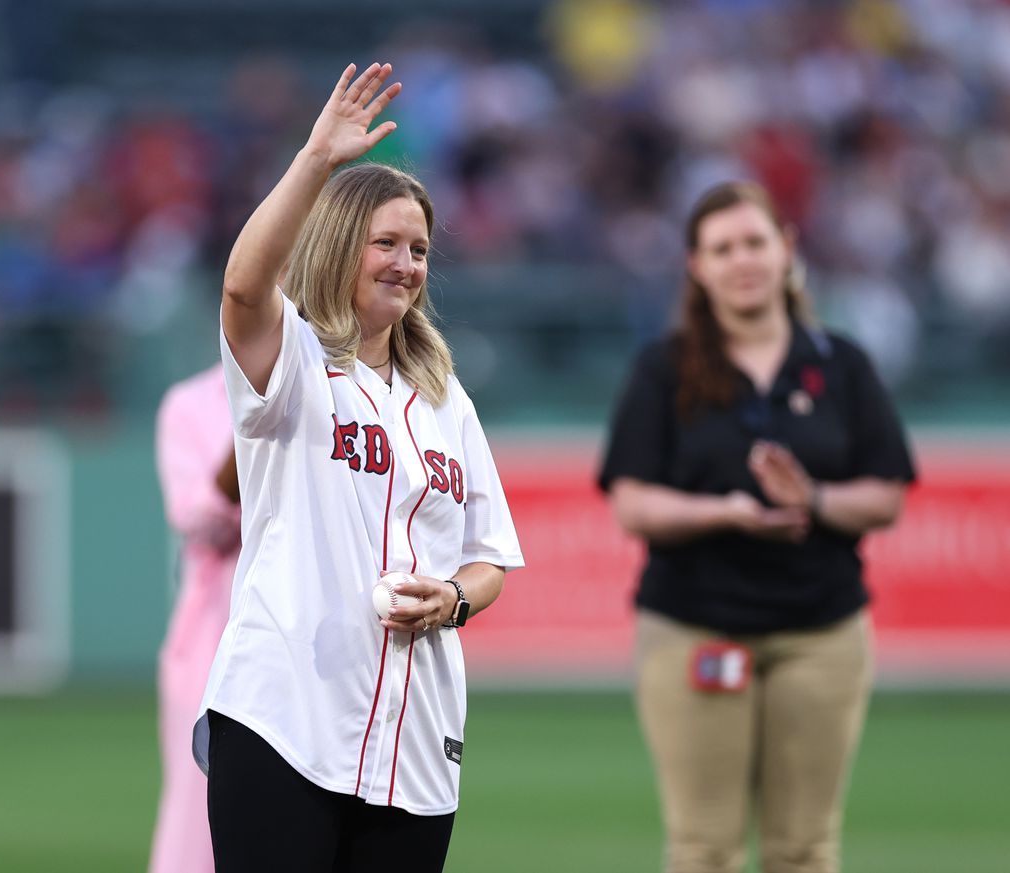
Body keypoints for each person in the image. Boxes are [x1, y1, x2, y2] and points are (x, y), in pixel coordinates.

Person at [191, 63, 525, 873]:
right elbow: (242, 287)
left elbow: (491, 561)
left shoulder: (446, 399)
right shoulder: (296, 362)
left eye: (419, 249)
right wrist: (315, 161)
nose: (407, 264)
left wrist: (449, 598)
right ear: (342, 244)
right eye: (387, 243)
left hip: (414, 741)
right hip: (283, 720)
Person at [597, 180, 915, 873]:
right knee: (703, 848)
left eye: (755, 242)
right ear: (697, 266)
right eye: (722, 248)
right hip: (694, 628)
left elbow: (886, 494)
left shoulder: (842, 363)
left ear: (787, 250)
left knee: (803, 849)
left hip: (821, 631)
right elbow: (632, 503)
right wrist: (724, 512)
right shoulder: (665, 368)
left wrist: (815, 499)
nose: (742, 260)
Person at [148, 363, 239, 873]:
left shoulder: (337, 388)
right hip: (211, 632)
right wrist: (260, 415)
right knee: (195, 805)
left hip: (308, 632)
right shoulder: (190, 402)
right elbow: (199, 519)